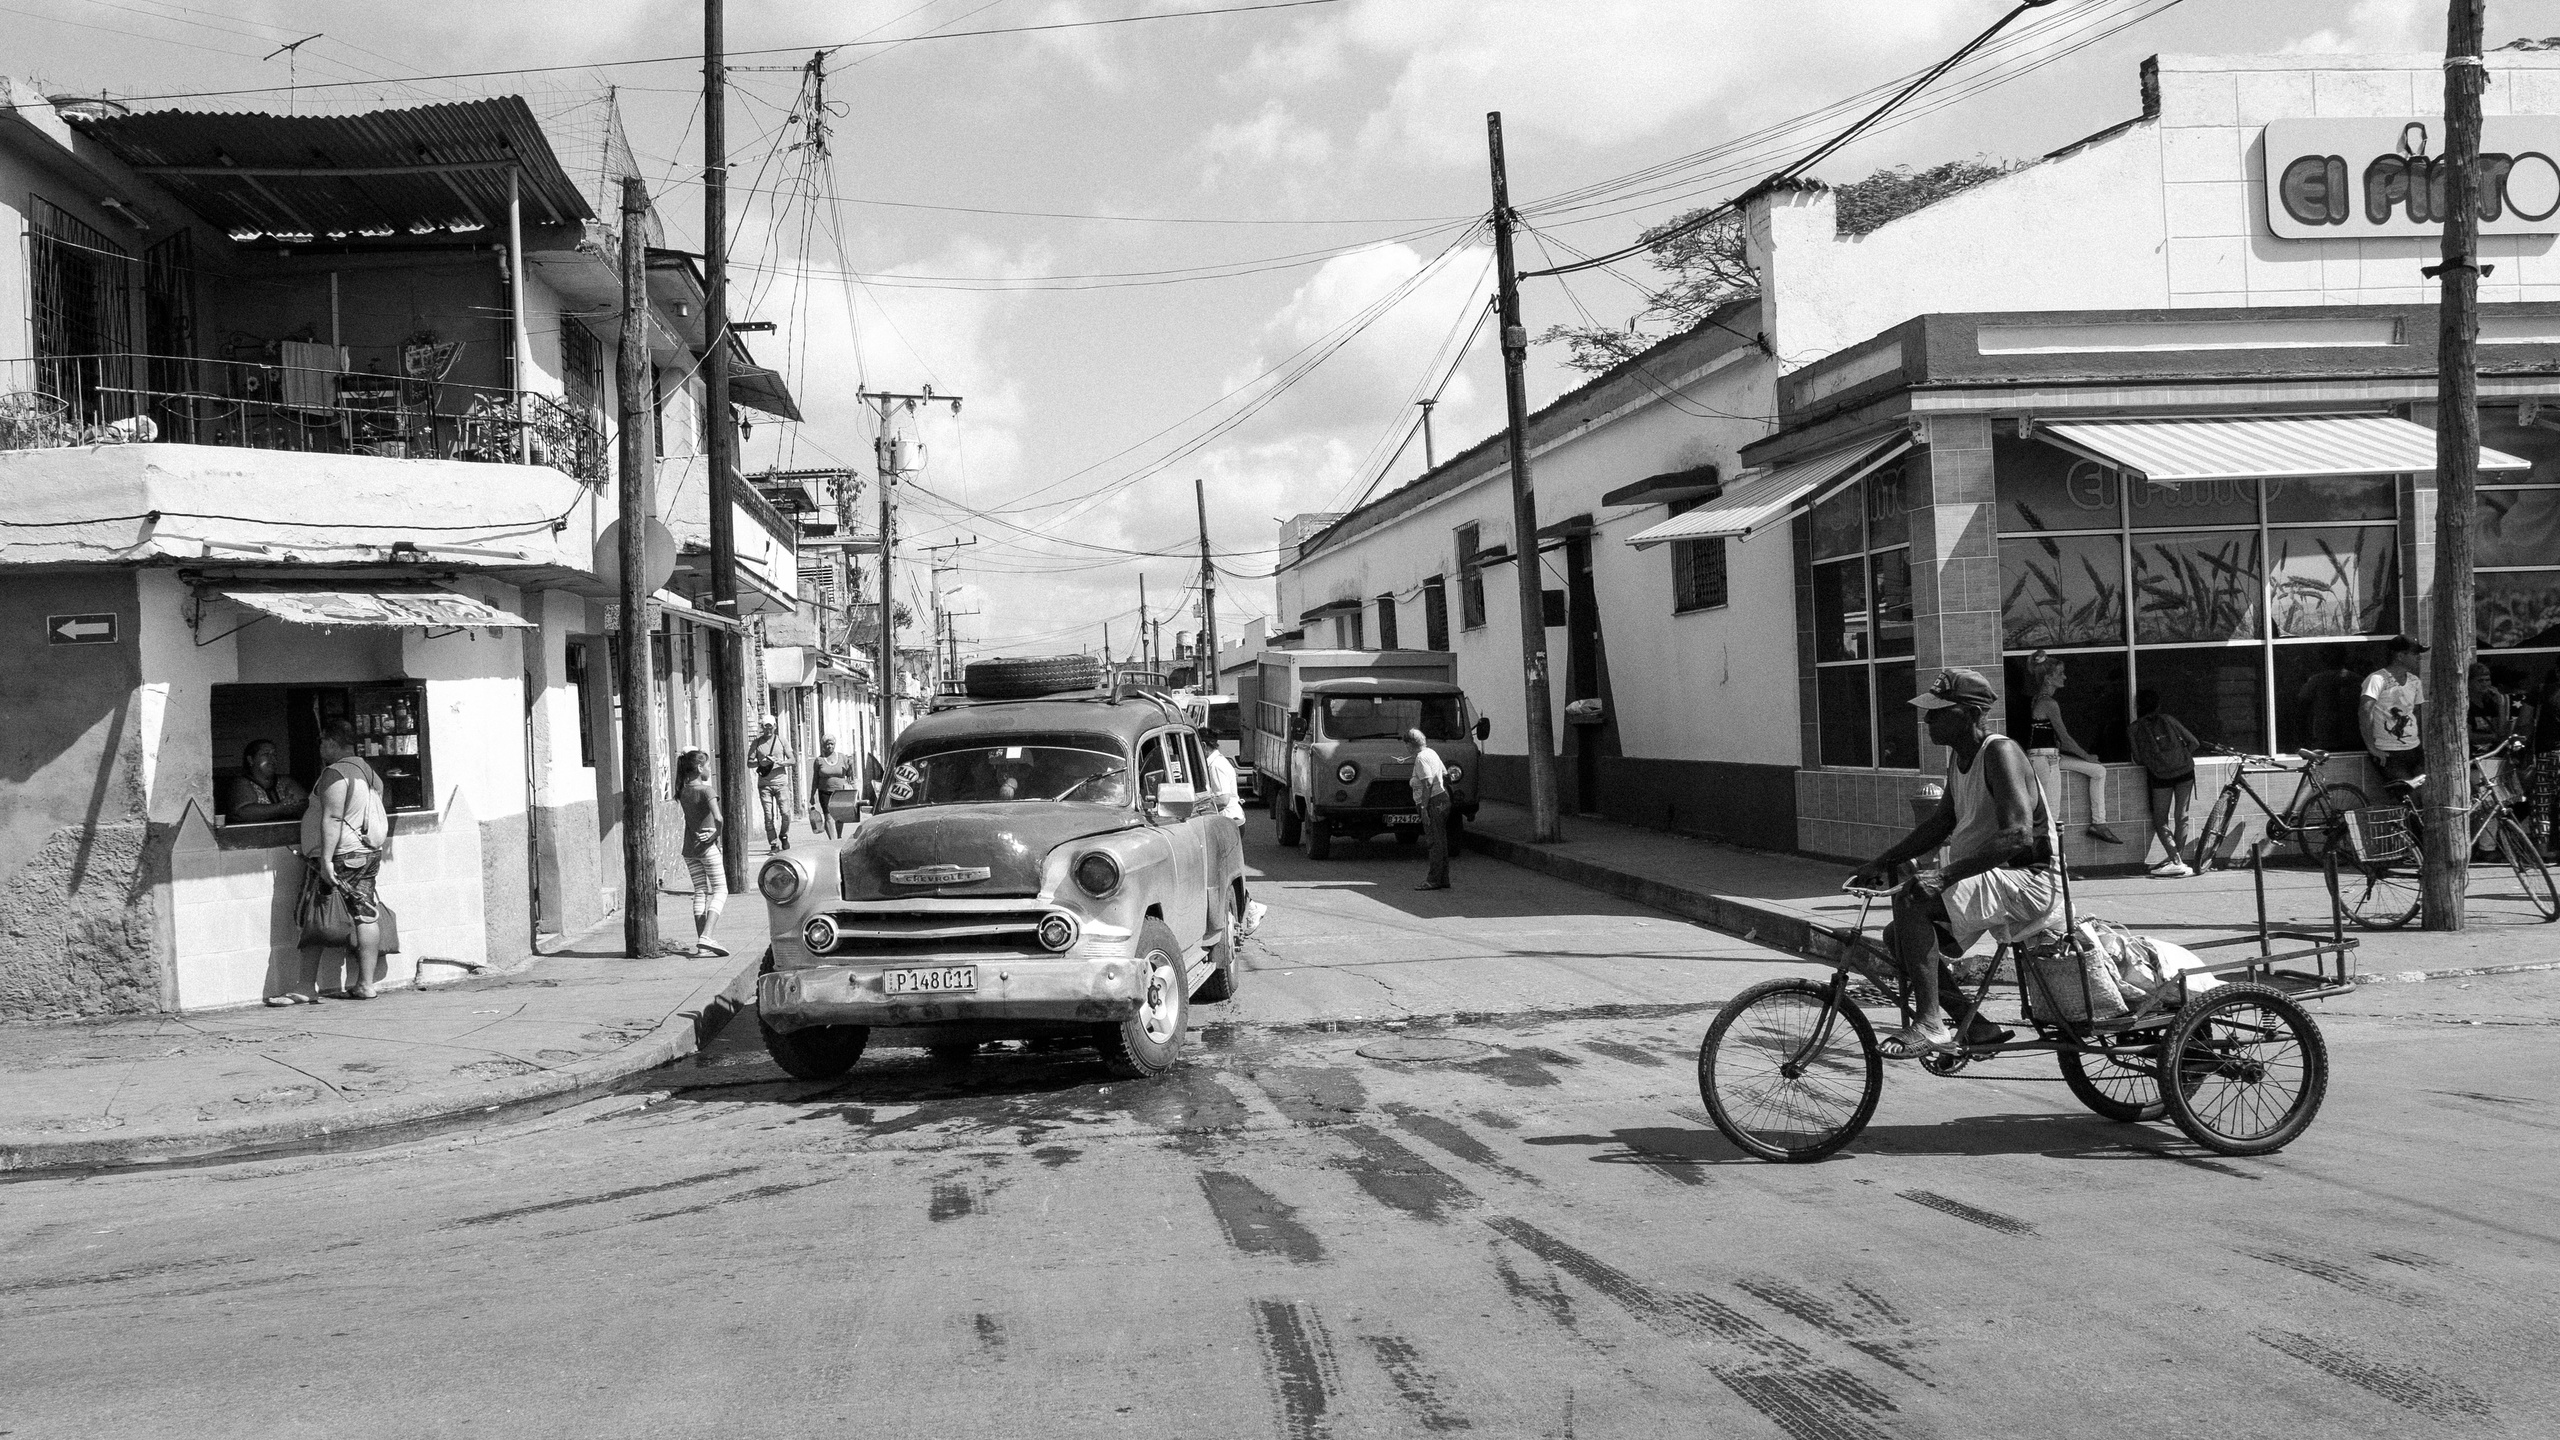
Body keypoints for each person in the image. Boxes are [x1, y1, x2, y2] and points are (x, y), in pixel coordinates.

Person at [1850, 668, 2061, 1059]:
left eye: (1937, 712)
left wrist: (1943, 875)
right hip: (1994, 878)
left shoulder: (2001, 752)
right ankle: (1975, 1026)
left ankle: (1930, 1023)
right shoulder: (1961, 758)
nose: (1927, 719)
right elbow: (1942, 822)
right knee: (1898, 937)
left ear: (1969, 713)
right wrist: (1882, 861)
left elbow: (2018, 835)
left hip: (2028, 880)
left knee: (1914, 898)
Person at [281, 718, 390, 1005]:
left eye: (321, 742)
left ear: (330, 741)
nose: (320, 748)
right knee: (364, 912)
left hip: (339, 857)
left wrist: (326, 860)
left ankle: (306, 986)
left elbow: (333, 817)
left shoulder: (335, 773)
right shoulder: (367, 771)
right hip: (365, 855)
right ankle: (365, 984)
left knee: (316, 914)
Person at [2024, 652, 2123, 847]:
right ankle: (2051, 864)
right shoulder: (2048, 703)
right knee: (2051, 813)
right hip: (2045, 759)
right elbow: (2066, 739)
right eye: (2060, 673)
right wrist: (2087, 755)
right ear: (2048, 679)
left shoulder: (2037, 699)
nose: (2064, 677)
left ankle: (2099, 823)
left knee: (2098, 771)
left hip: (2049, 756)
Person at [2126, 689, 2202, 878]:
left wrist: (2160, 763)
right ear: (2158, 705)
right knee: (2181, 816)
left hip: (2160, 776)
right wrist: (2180, 758)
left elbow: (2138, 758)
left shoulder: (2134, 728)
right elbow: (2194, 743)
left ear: (2137, 707)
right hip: (2185, 771)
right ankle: (2179, 861)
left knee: (2160, 820)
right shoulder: (2169, 719)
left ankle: (2176, 861)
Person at [1202, 741, 1267, 935]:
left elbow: (1222, 799)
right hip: (1229, 821)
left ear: (1205, 745)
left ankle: (1252, 908)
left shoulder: (1216, 766)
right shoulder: (1217, 762)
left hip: (1229, 822)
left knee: (1226, 871)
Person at [2361, 635, 2428, 791]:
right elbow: (2365, 711)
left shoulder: (2414, 681)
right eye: (2414, 654)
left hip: (2414, 749)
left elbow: (2416, 712)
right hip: (2389, 752)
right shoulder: (2377, 679)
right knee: (2406, 795)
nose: (2418, 658)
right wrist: (2372, 747)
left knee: (2425, 793)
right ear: (2400, 656)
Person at [677, 749, 727, 957]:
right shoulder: (707, 791)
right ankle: (707, 935)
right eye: (706, 765)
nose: (708, 769)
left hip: (689, 849)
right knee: (721, 890)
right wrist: (716, 834)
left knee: (700, 892)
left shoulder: (683, 790)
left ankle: (701, 944)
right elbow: (719, 818)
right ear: (699, 768)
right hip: (707, 848)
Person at [1406, 728, 1453, 890]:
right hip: (1441, 800)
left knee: (1434, 842)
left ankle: (1433, 880)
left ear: (1411, 745)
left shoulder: (1421, 758)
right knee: (1441, 841)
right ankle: (1443, 879)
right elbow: (1445, 774)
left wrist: (1424, 808)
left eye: (1407, 746)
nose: (1407, 750)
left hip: (1432, 803)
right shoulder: (1432, 753)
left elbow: (1427, 783)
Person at [226, 739, 308, 824]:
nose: (272, 759)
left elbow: (308, 804)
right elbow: (242, 813)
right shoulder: (241, 782)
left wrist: (295, 806)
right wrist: (280, 807)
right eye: (266, 754)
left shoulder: (286, 781)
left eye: (274, 754)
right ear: (251, 760)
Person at [749, 717, 795, 851]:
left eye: (770, 727)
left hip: (781, 783)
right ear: (762, 727)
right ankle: (773, 843)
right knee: (768, 815)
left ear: (775, 726)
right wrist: (760, 762)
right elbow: (749, 762)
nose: (768, 729)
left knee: (785, 813)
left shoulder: (782, 741)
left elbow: (792, 759)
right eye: (765, 727)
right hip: (765, 784)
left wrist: (782, 762)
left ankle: (784, 835)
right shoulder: (757, 743)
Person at [811, 738, 859, 839]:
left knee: (839, 816)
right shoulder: (819, 760)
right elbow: (815, 779)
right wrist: (812, 795)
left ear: (835, 745)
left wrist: (851, 766)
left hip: (839, 792)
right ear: (823, 746)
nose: (830, 746)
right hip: (824, 792)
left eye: (832, 744)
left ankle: (839, 837)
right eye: (827, 744)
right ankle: (832, 841)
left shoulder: (842, 757)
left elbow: (849, 774)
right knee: (828, 816)